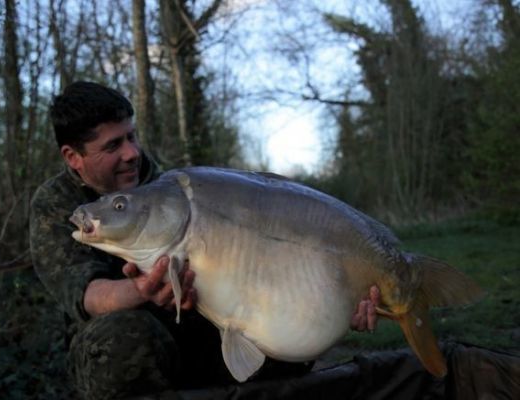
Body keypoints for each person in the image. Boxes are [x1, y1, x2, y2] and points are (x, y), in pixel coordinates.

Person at [29, 81, 380, 399]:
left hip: (193, 325)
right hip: (117, 343)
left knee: (272, 338)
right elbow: (88, 295)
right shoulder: (58, 205)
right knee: (124, 337)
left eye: (132, 137)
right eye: (113, 145)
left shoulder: (163, 183)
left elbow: (256, 268)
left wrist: (330, 302)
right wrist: (142, 291)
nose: (132, 153)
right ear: (73, 157)